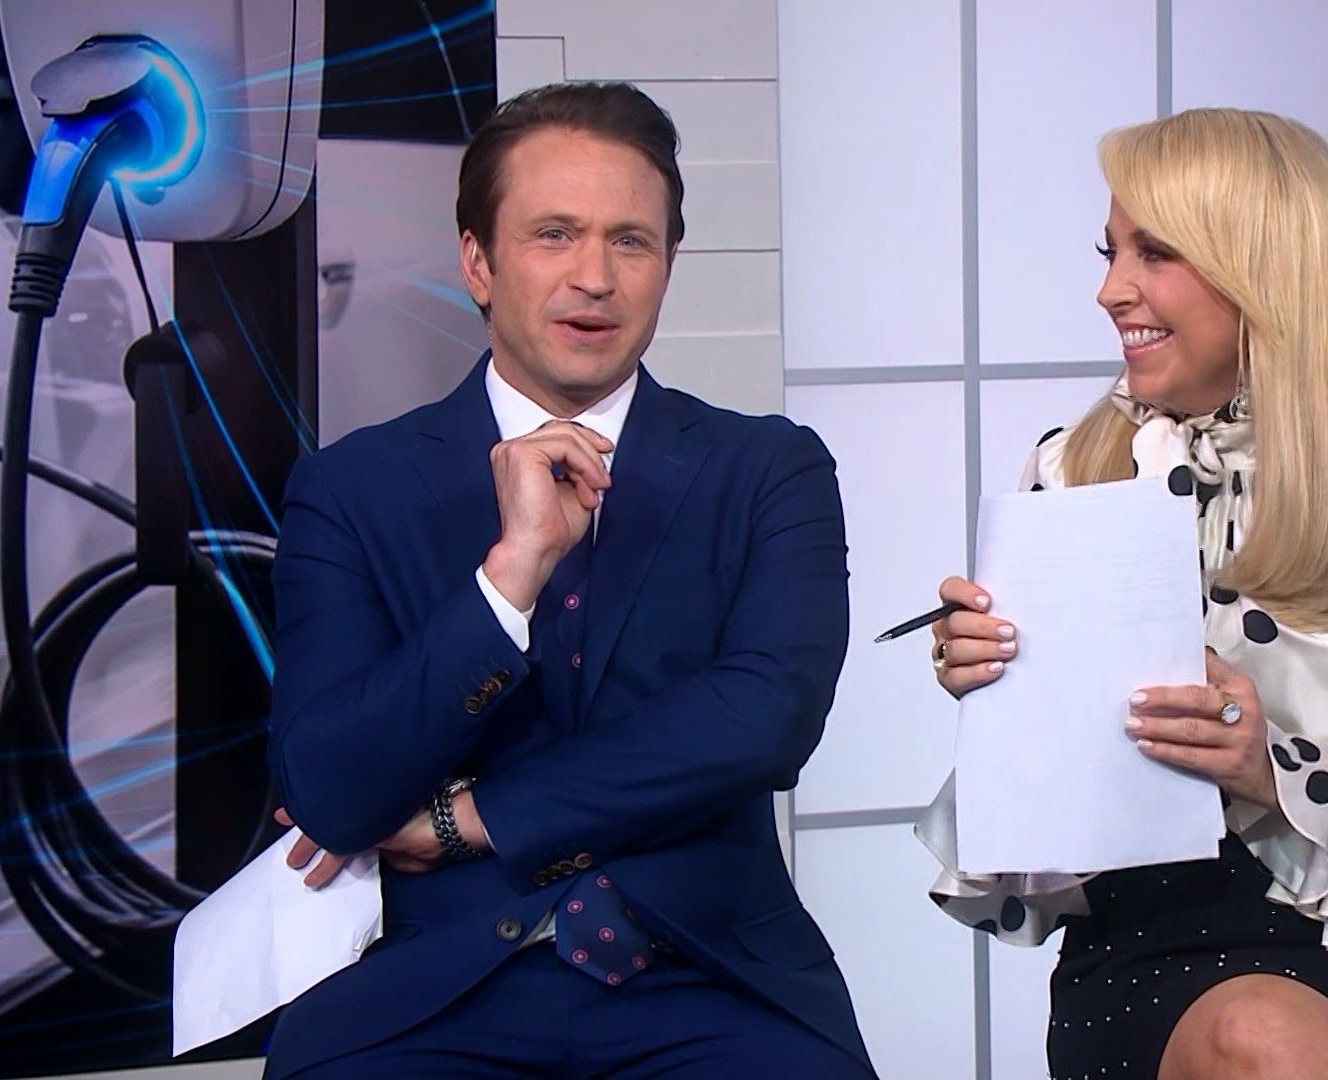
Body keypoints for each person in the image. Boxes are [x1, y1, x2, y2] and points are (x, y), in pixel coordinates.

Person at [916, 108, 1328, 1080]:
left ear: (1266, 268)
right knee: (1258, 1043)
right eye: (1111, 252)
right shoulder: (1071, 466)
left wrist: (1275, 771)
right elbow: (1056, 804)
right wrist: (999, 700)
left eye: (1155, 253)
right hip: (1156, 935)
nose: (1110, 290)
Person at [259, 81, 874, 1078]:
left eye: (631, 242)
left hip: (708, 977)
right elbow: (329, 787)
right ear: (478, 261)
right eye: (554, 235)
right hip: (433, 987)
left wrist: (469, 818)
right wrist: (509, 576)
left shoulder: (768, 468)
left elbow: (766, 718)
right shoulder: (351, 488)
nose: (596, 277)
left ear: (668, 264)